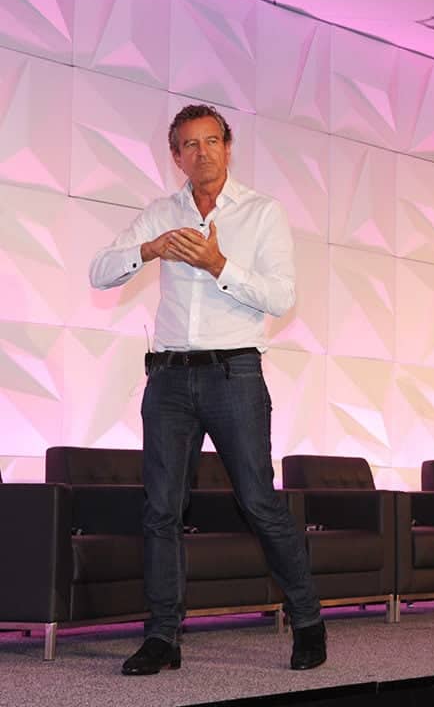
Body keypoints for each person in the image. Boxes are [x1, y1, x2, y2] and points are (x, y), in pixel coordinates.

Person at [89, 104, 326, 676]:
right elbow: (99, 271)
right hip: (169, 377)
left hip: (234, 374)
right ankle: (162, 637)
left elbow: (280, 297)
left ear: (228, 146)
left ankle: (308, 620)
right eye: (190, 145)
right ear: (176, 157)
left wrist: (220, 263)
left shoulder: (262, 213)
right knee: (161, 510)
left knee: (259, 501)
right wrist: (150, 250)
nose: (203, 153)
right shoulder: (160, 213)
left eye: (212, 141)